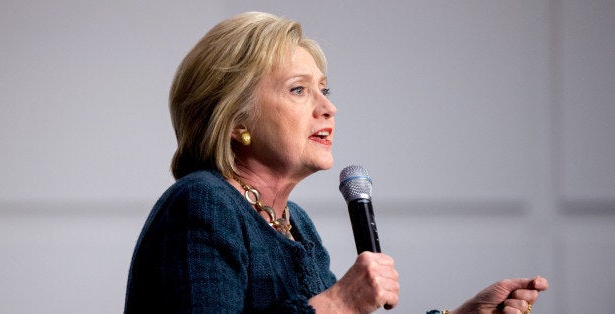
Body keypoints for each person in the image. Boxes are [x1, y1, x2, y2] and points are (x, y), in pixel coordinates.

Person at [124, 11, 548, 313]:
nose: (328, 108)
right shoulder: (203, 204)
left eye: (324, 90)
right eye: (298, 90)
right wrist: (339, 303)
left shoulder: (296, 225)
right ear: (236, 120)